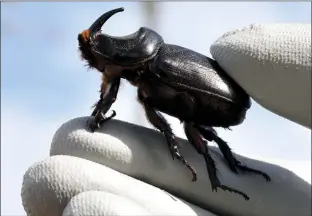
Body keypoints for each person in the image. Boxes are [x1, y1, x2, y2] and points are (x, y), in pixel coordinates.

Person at [21, 23, 311, 216]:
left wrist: (100, 117)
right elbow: (110, 86)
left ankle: (225, 175)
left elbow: (115, 94)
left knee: (198, 133)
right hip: (207, 106)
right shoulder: (132, 74)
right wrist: (97, 115)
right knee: (198, 132)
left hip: (223, 103)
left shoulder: (157, 65)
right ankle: (223, 175)